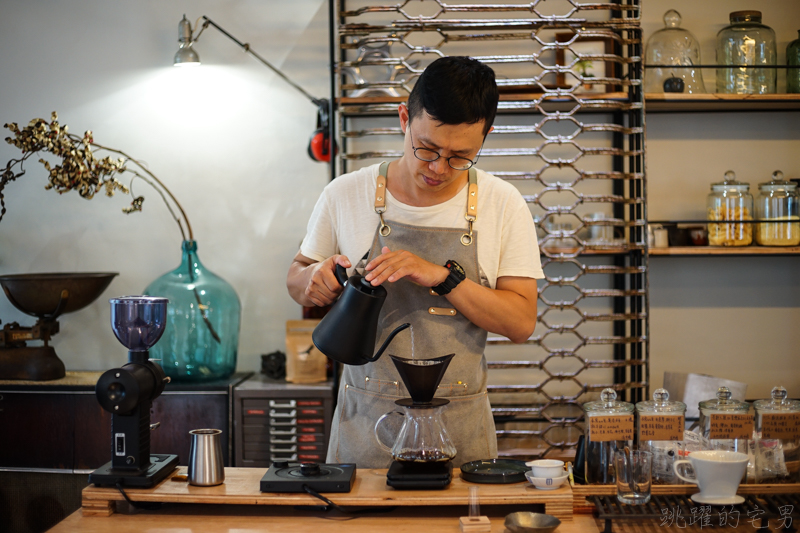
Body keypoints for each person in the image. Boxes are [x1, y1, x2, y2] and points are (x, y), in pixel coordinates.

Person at [286, 56, 544, 468]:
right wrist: (313, 279)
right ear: (404, 118)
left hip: (459, 434)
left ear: (486, 136)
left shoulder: (503, 204)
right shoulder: (346, 193)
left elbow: (520, 322)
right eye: (427, 149)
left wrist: (443, 277)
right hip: (365, 430)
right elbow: (297, 276)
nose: (439, 168)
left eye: (460, 157)